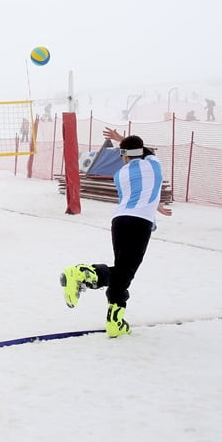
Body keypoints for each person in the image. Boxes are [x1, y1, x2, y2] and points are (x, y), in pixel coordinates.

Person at [60, 128, 172, 337]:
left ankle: (116, 322)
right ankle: (83, 273)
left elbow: (139, 193)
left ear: (125, 155)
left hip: (119, 221)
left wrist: (155, 206)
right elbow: (146, 157)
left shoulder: (121, 175)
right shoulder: (153, 164)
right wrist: (154, 210)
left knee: (121, 273)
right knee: (124, 273)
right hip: (140, 224)